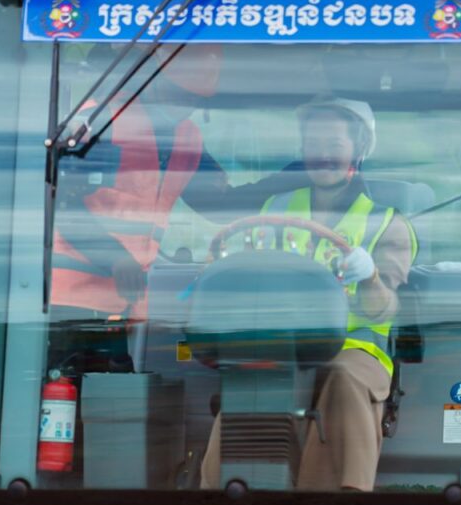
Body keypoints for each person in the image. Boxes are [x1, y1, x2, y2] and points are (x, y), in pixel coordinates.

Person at [201, 96, 417, 491]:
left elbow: (384, 309)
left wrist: (369, 276)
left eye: (334, 144)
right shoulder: (275, 207)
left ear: (358, 149)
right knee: (251, 377)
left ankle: (339, 502)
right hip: (282, 342)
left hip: (353, 348)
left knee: (342, 377)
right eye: (314, 143)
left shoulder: (387, 223)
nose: (323, 154)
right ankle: (223, 494)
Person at [49, 43, 307, 371]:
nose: (183, 107)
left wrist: (296, 174)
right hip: (67, 301)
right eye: (178, 94)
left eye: (194, 101)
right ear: (152, 79)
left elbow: (222, 204)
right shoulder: (101, 122)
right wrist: (114, 257)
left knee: (111, 390)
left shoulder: (187, 139)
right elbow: (59, 201)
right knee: (62, 388)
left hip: (124, 304)